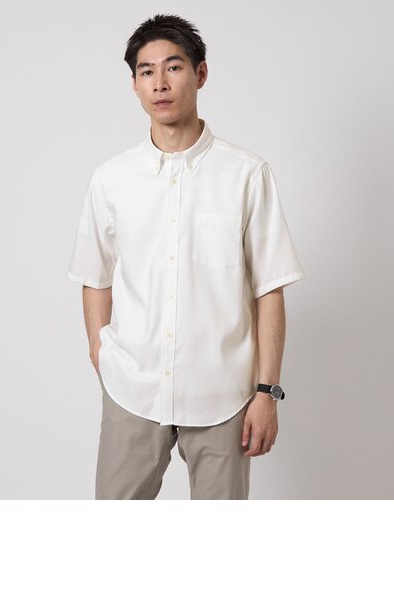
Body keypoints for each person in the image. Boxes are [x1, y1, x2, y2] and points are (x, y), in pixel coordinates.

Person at [67, 13, 303, 500]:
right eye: (146, 71)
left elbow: (269, 289)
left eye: (173, 67)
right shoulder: (111, 180)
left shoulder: (246, 175)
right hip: (133, 391)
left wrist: (267, 392)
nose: (160, 83)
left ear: (201, 73)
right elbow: (94, 274)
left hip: (224, 395)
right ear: (134, 84)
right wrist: (101, 353)